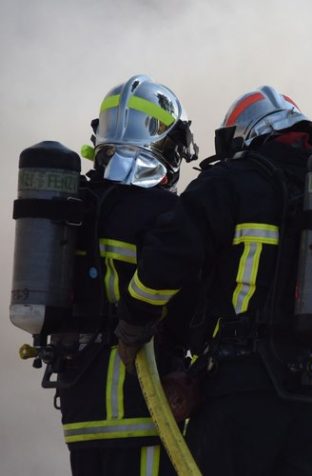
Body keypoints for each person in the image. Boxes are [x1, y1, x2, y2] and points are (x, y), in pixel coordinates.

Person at [116, 86, 312, 475]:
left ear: (244, 135)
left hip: (239, 395)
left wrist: (134, 318)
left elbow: (169, 258)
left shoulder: (230, 182)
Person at [57, 74, 198, 476]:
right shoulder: (162, 215)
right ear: (165, 142)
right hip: (142, 407)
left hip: (81, 410)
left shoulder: (76, 206)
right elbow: (188, 304)